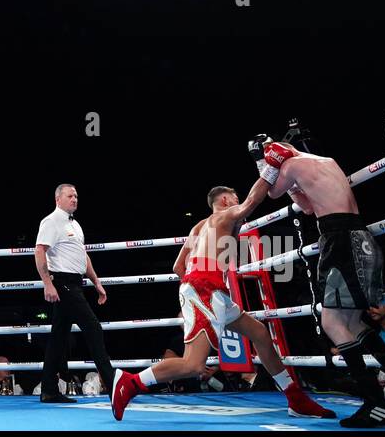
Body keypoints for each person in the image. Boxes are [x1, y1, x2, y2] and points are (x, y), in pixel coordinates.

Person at [113, 180, 335, 420]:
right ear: (225, 201)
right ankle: (131, 382)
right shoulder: (226, 214)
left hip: (208, 289)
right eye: (234, 197)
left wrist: (194, 293)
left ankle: (295, 398)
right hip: (207, 289)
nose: (238, 201)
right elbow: (253, 201)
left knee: (259, 333)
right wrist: (269, 172)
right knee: (193, 365)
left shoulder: (198, 227)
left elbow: (179, 266)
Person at [252, 139, 385, 427]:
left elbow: (271, 192)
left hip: (340, 243)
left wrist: (263, 163)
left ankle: (377, 405)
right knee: (355, 324)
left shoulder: (291, 165)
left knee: (332, 324)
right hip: (360, 239)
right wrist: (288, 179)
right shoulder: (326, 161)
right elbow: (308, 207)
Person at [34, 184, 122, 404]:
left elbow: (82, 256)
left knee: (58, 338)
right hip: (63, 283)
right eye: (70, 195)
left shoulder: (75, 225)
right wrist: (48, 284)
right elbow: (39, 250)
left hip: (75, 283)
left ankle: (49, 390)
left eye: (76, 196)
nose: (74, 199)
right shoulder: (51, 221)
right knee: (93, 327)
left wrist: (96, 282)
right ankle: (113, 387)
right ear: (58, 199)